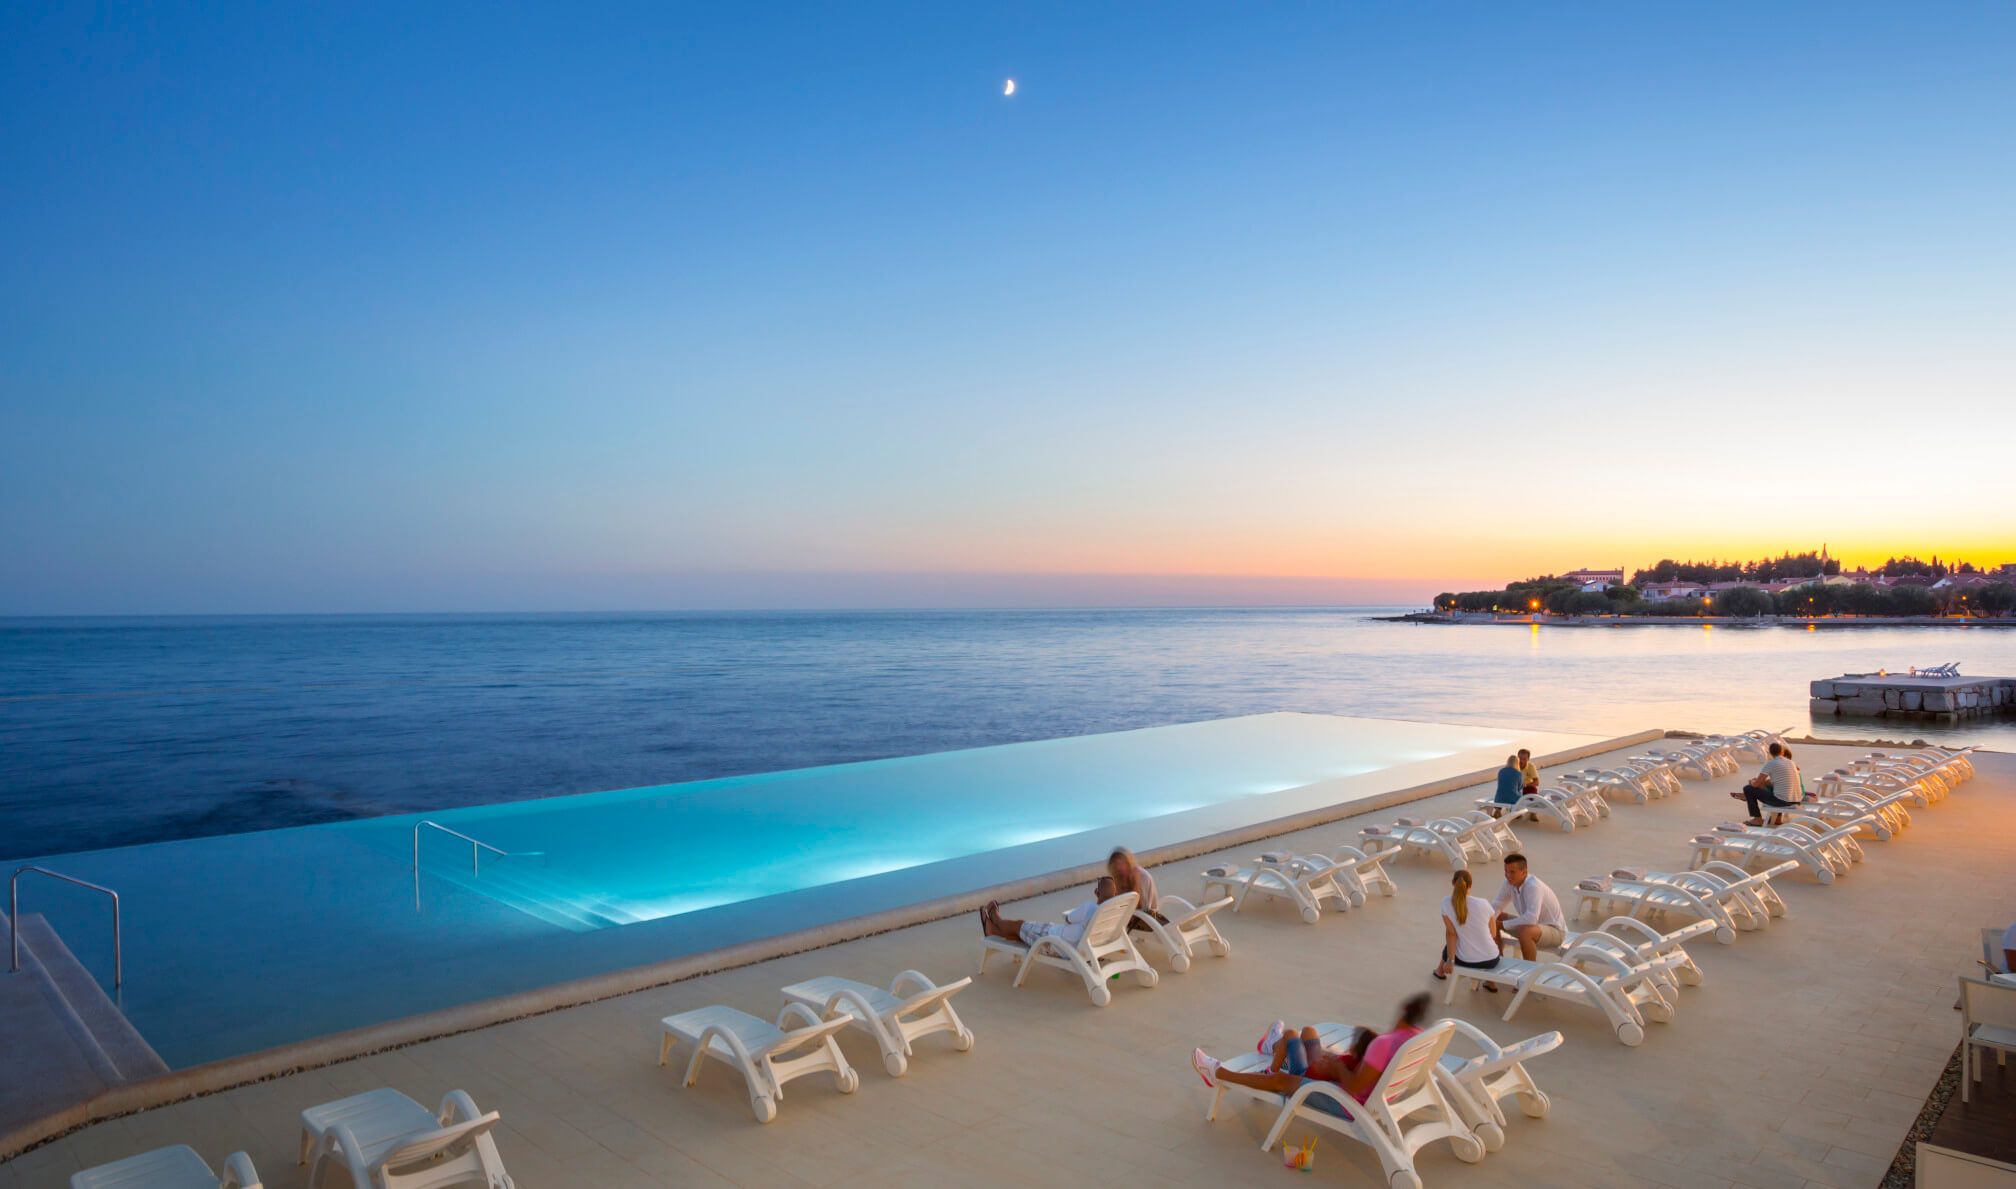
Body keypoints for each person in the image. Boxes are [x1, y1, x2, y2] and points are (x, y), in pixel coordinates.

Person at [1189, 994, 1433, 1117]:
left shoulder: (1384, 1043)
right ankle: (1273, 1047)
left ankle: (1218, 1073)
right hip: (1381, 1098)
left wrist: (1337, 1067)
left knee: (1282, 1080)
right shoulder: (1418, 1037)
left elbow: (1354, 1086)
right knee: (1302, 1044)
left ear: (1403, 1011)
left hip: (1349, 1104)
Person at [980, 877, 1112, 949]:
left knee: (1019, 925)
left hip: (1056, 942)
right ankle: (993, 930)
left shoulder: (1090, 907)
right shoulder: (1114, 912)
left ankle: (995, 919)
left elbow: (1068, 919)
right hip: (1075, 944)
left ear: (1097, 892)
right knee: (1023, 932)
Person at [1434, 869, 1502, 988]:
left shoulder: (1446, 903)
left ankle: (1440, 971)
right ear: (1471, 885)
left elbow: (1451, 934)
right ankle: (1491, 983)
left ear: (1453, 883)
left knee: (1452, 939)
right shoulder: (1484, 903)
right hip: (1492, 959)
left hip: (1468, 961)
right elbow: (1493, 934)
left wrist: (1450, 961)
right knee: (1465, 938)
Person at [1493, 853, 1565, 960]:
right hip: (1532, 927)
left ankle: (1530, 968)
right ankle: (1498, 958)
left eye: (1512, 872)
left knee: (1525, 931)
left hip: (1555, 931)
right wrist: (1489, 920)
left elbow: (1531, 918)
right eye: (1506, 871)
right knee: (1495, 917)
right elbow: (1497, 905)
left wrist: (1502, 925)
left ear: (1524, 872)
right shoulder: (1508, 884)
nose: (1508, 875)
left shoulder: (1533, 886)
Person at [1732, 742, 1801, 825]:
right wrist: (1761, 783)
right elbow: (1778, 782)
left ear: (1770, 753)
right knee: (1778, 790)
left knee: (1748, 789)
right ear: (1782, 752)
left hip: (1782, 801)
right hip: (1796, 800)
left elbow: (1755, 784)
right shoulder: (1791, 763)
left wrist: (1752, 782)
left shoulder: (1771, 763)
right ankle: (1777, 819)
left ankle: (1757, 819)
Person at [1103, 846, 1163, 931]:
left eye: (1122, 863)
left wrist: (1136, 883)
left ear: (1128, 861)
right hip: (1133, 916)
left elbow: (1144, 907)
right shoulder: (1120, 878)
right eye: (1116, 864)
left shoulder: (1141, 876)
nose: (1119, 867)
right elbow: (1119, 903)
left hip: (1149, 919)